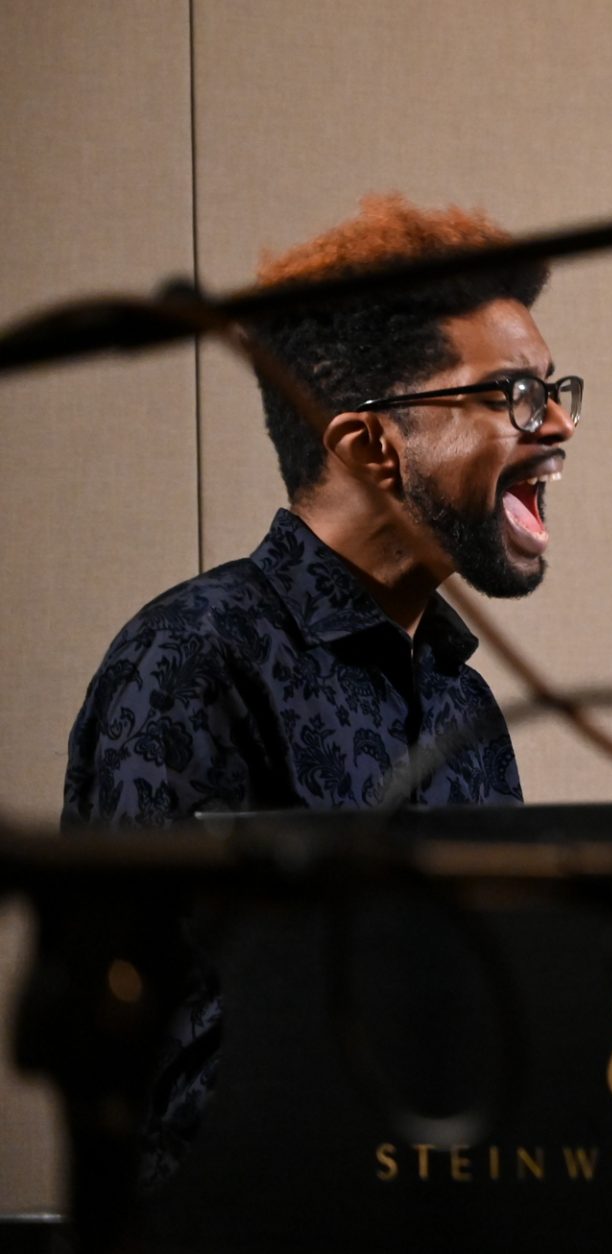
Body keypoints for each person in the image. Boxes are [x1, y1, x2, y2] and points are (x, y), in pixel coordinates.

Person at [61, 194, 581, 1181]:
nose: (555, 424)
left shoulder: (464, 702)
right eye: (512, 392)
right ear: (369, 447)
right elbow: (150, 1080)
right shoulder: (186, 661)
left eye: (557, 391)